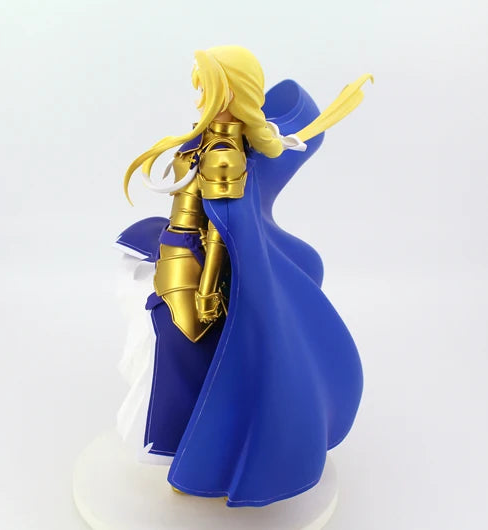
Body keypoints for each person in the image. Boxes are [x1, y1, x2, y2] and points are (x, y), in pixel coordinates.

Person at [115, 45, 371, 507]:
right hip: (176, 245)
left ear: (229, 91)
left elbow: (224, 228)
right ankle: (189, 445)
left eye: (205, 86)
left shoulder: (224, 155)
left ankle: (191, 450)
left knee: (176, 342)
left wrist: (206, 288)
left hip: (191, 260)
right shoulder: (211, 139)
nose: (199, 95)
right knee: (168, 338)